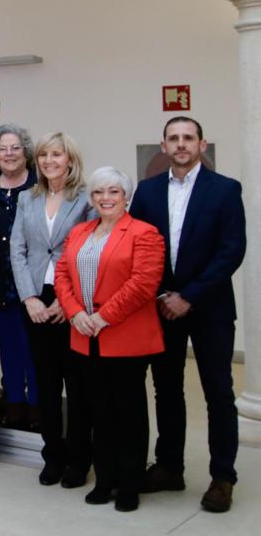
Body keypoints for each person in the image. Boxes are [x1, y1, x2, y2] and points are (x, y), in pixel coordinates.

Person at [130, 117, 246, 513]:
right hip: (161, 307)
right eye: (174, 138)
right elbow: (140, 249)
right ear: (163, 144)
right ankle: (169, 467)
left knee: (218, 393)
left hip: (210, 308)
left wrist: (189, 296)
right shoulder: (145, 193)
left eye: (188, 138)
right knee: (166, 389)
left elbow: (231, 251)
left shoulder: (226, 190)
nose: (181, 145)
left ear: (202, 144)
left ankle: (223, 476)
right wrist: (165, 295)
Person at [54, 167, 165, 512]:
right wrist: (74, 313)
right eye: (99, 192)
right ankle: (104, 480)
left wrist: (103, 317)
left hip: (124, 337)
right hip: (85, 337)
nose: (105, 198)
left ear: (126, 197)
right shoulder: (80, 233)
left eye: (114, 192)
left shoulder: (145, 234)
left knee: (128, 414)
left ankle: (129, 484)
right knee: (98, 413)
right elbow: (61, 275)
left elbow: (143, 284)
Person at [9, 131, 93, 488]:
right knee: (44, 381)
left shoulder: (88, 199)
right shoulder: (29, 198)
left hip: (71, 299)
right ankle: (52, 454)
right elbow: (17, 248)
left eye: (56, 155)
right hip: (35, 298)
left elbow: (90, 250)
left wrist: (67, 301)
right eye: (43, 156)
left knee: (76, 384)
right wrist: (29, 297)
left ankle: (79, 458)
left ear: (70, 160)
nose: (48, 162)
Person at [0, 125, 39, 430]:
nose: (9, 154)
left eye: (15, 148)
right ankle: (15, 400)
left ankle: (37, 403)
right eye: (2, 149)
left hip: (32, 281)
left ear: (26, 151)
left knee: (34, 345)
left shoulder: (38, 184)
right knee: (8, 343)